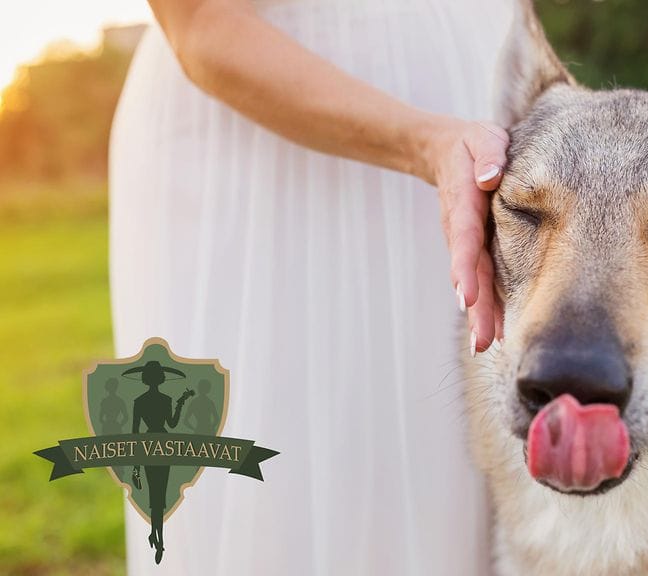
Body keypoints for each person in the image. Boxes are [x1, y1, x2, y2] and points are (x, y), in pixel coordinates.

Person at [109, 0, 515, 573]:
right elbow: (199, 22)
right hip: (258, 160)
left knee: (447, 466)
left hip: (473, 121)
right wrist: (428, 143)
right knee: (285, 479)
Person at [123, 361, 193, 565]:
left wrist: (136, 465)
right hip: (160, 444)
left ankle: (156, 535)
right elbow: (171, 423)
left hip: (152, 445)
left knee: (157, 495)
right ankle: (158, 539)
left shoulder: (140, 401)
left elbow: (135, 433)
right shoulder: (163, 399)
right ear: (160, 378)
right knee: (158, 496)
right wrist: (181, 402)